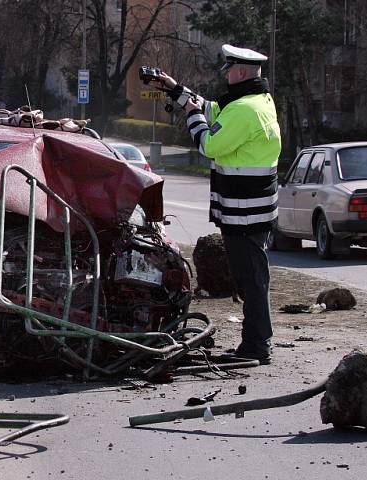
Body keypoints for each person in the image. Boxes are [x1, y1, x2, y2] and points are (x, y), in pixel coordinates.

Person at [154, 44, 281, 364]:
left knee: (251, 280)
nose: (226, 76)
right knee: (253, 277)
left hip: (246, 213)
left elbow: (210, 144)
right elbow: (215, 110)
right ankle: (256, 341)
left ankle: (257, 345)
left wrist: (192, 114)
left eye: (229, 70)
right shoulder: (256, 101)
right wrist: (177, 90)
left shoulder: (244, 110)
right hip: (254, 210)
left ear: (239, 72)